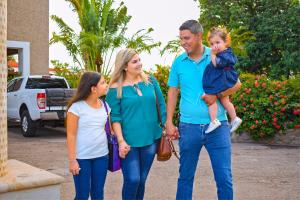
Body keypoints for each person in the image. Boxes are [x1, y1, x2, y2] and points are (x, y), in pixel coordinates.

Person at [166, 20, 233, 200]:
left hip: (218, 127)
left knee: (224, 178)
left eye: (186, 38)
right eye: (181, 38)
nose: (183, 42)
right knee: (185, 177)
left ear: (199, 36)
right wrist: (169, 122)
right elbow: (172, 92)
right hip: (188, 127)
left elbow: (236, 84)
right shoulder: (178, 62)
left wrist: (216, 95)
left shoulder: (216, 54)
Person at [106, 48, 166, 200]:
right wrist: (120, 141)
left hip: (151, 138)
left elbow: (162, 105)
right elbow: (115, 118)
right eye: (134, 61)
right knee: (133, 179)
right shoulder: (114, 89)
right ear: (124, 66)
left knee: (142, 180)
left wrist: (167, 126)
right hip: (128, 142)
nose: (139, 64)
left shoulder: (150, 81)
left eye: (139, 60)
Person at [66, 72, 109, 200]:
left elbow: (109, 130)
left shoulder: (106, 106)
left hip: (102, 157)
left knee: (98, 193)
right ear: (93, 89)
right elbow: (71, 135)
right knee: (82, 195)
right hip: (82, 158)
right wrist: (72, 161)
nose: (106, 85)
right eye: (103, 82)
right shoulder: (76, 108)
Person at [203, 27, 242, 133]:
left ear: (226, 42)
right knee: (225, 101)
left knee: (210, 98)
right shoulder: (226, 53)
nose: (215, 46)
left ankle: (214, 120)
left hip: (222, 80)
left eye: (218, 42)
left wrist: (212, 54)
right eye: (211, 44)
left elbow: (217, 64)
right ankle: (234, 118)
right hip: (224, 79)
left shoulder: (223, 55)